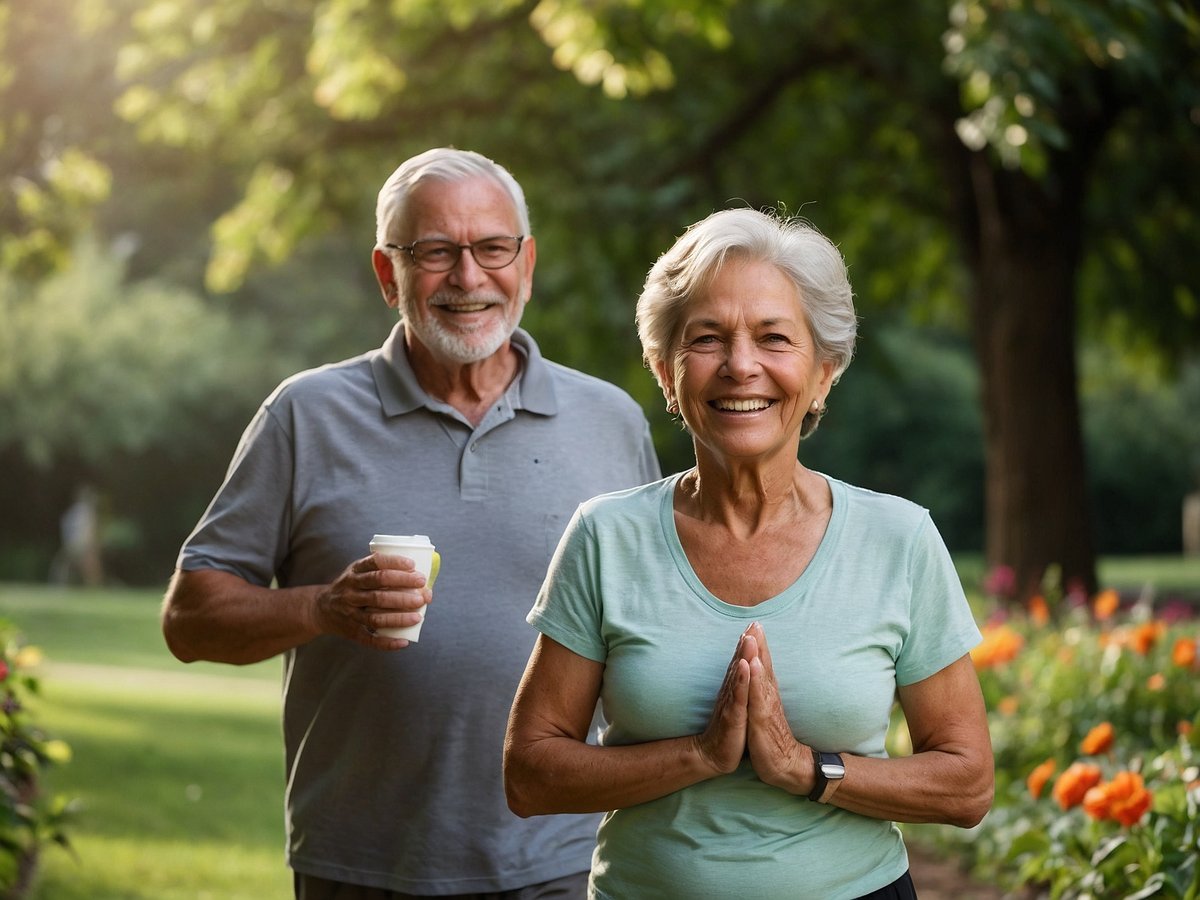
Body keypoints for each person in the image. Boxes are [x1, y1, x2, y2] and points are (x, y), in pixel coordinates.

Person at [162, 147, 661, 899]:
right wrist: (321, 608)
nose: (468, 276)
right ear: (387, 273)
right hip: (363, 866)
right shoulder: (305, 416)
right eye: (434, 251)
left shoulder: (610, 420)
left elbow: (652, 624)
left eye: (492, 248)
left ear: (526, 265)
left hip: (565, 860)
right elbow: (189, 620)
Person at [504, 208, 993, 899]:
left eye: (774, 338)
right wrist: (700, 755)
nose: (740, 366)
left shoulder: (899, 540)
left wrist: (803, 769)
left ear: (823, 373)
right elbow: (530, 774)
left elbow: (967, 784)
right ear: (666, 371)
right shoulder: (606, 536)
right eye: (707, 338)